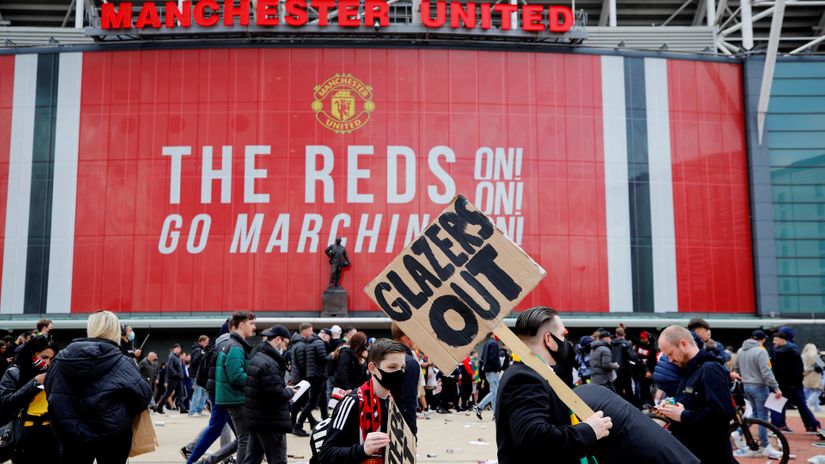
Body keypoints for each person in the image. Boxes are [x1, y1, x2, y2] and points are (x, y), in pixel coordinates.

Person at [496, 307, 612, 464]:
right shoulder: (525, 378)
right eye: (562, 335)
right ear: (549, 339)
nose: (565, 342)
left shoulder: (530, 372)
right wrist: (588, 430)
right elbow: (533, 438)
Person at [45, 310, 152, 464]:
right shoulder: (123, 361)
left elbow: (50, 389)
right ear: (115, 330)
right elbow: (143, 396)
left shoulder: (61, 359)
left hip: (71, 433)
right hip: (113, 433)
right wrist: (121, 411)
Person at [316, 338, 408, 464]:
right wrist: (363, 450)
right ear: (372, 368)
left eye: (403, 367)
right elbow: (326, 455)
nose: (400, 372)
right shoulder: (352, 402)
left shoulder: (392, 401)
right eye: (392, 367)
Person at [654, 325, 735, 464]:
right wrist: (671, 406)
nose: (670, 360)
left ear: (683, 344)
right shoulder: (688, 370)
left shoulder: (710, 369)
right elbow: (693, 402)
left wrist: (682, 415)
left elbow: (723, 413)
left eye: (670, 354)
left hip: (710, 454)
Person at [0, 335, 60, 463]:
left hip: (51, 432)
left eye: (52, 359)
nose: (48, 363)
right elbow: (6, 404)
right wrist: (34, 383)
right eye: (44, 357)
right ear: (33, 354)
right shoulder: (14, 372)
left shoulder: (55, 374)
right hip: (24, 433)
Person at [185, 320, 238, 464]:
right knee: (219, 427)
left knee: (227, 429)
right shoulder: (227, 345)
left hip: (216, 390)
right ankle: (196, 458)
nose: (253, 327)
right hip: (222, 392)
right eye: (250, 323)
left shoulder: (219, 344)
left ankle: (195, 455)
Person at [244, 325, 293, 464]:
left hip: (257, 418)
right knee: (278, 460)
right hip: (270, 421)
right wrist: (290, 391)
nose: (285, 348)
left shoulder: (258, 357)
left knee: (252, 459)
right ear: (278, 339)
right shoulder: (270, 363)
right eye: (286, 343)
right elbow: (275, 394)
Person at [732, 330, 783, 458]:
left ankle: (738, 432)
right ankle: (765, 446)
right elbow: (766, 372)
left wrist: (746, 377)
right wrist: (776, 388)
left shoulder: (741, 350)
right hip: (760, 387)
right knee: (763, 417)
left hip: (746, 386)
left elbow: (736, 368)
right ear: (763, 339)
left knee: (754, 414)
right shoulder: (761, 351)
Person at [216, 311, 256, 463]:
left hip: (233, 397)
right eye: (251, 323)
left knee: (242, 438)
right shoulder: (236, 346)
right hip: (236, 398)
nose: (254, 327)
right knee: (245, 439)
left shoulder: (233, 344)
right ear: (241, 325)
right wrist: (255, 380)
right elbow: (236, 376)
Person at [770, 329, 823, 433]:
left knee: (776, 405)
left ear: (782, 338)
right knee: (802, 405)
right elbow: (798, 369)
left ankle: (777, 426)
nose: (774, 342)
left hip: (779, 383)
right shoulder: (794, 349)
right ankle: (812, 425)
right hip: (794, 384)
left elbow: (774, 368)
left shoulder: (774, 350)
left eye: (775, 340)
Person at [294, 322, 328, 437]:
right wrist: (331, 356)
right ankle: (297, 426)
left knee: (319, 402)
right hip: (312, 377)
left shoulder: (306, 343)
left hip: (311, 376)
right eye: (310, 330)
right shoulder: (304, 344)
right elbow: (304, 363)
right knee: (308, 403)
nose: (312, 332)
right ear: (304, 331)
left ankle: (321, 424)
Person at [389, 322, 420, 435]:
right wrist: (412, 430)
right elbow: (409, 399)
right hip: (401, 418)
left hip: (386, 414)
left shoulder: (385, 357)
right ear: (407, 337)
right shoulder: (410, 362)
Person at [473, 334, 502, 420]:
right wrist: (498, 368)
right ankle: (479, 407)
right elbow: (493, 358)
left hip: (488, 371)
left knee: (494, 392)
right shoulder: (494, 344)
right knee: (494, 392)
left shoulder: (487, 343)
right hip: (493, 371)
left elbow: (482, 357)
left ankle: (495, 414)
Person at [611, 327, 639, 406]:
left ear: (616, 334)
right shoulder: (627, 344)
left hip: (614, 369)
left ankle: (617, 406)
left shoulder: (611, 344)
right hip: (625, 370)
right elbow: (633, 356)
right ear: (624, 334)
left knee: (617, 389)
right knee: (628, 389)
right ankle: (629, 406)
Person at [154, 344, 184, 414]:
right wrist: (177, 374)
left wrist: (180, 375)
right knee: (168, 393)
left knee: (180, 394)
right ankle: (159, 407)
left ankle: (183, 408)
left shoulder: (177, 357)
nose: (180, 350)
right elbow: (170, 368)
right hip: (173, 379)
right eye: (179, 349)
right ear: (176, 348)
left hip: (178, 379)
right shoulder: (171, 356)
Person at [189, 335, 210, 416]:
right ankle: (193, 411)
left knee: (203, 392)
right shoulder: (197, 350)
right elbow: (195, 361)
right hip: (196, 374)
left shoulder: (200, 350)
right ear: (202, 341)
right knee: (197, 392)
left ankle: (199, 410)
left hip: (200, 374)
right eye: (206, 342)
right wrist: (202, 355)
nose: (207, 344)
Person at [802, 343, 824, 412]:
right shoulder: (815, 356)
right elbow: (822, 365)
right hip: (815, 375)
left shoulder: (802, 356)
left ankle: (817, 407)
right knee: (818, 391)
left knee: (812, 391)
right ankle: (808, 404)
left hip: (806, 376)